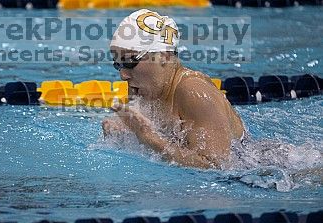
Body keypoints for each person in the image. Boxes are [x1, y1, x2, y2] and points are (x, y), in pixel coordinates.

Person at [102, 9, 245, 169]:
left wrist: (149, 137)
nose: (123, 75)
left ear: (164, 56)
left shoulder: (193, 92)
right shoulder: (143, 89)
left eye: (129, 62)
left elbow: (217, 167)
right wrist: (123, 135)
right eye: (118, 65)